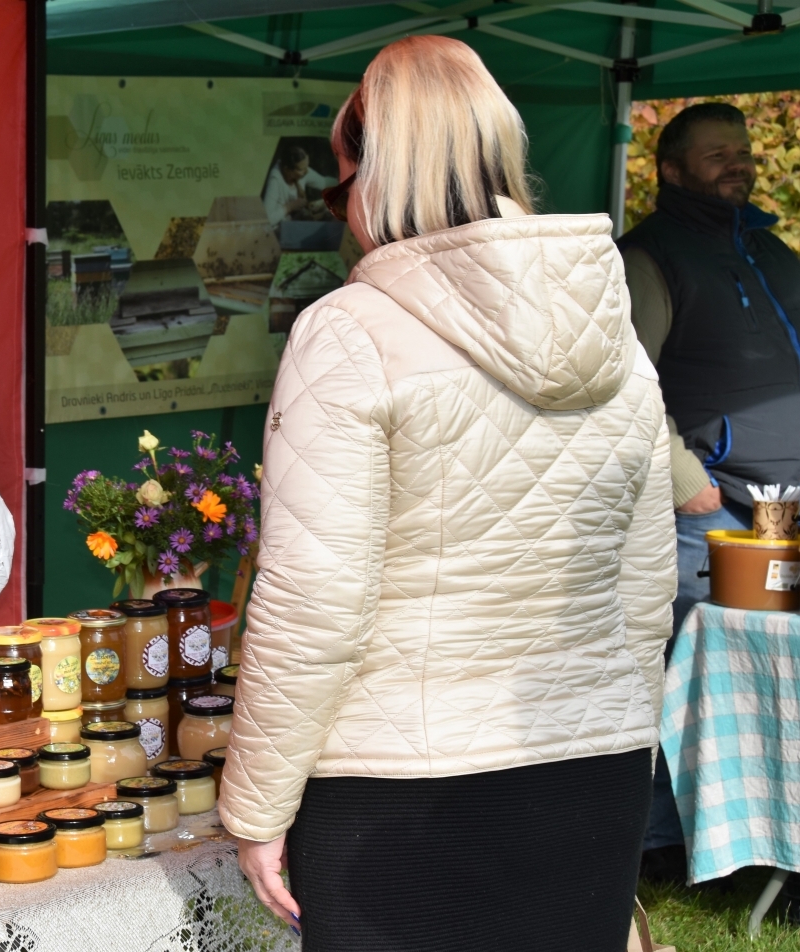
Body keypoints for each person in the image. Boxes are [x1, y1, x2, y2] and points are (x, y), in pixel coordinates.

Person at [219, 35, 675, 952]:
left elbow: (315, 603)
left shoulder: (346, 334)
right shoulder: (612, 332)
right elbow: (644, 583)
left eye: (340, 184)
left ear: (375, 176)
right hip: (593, 772)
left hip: (401, 789)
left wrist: (255, 804)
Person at [618, 102, 800, 871]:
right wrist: (681, 478)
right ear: (669, 169)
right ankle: (662, 842)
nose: (738, 165)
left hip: (783, 505)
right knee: (685, 674)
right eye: (717, 154)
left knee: (775, 673)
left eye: (743, 152)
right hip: (710, 506)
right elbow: (625, 381)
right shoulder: (647, 254)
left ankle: (770, 832)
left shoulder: (770, 246)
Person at [262, 144, 336, 226]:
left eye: (306, 167)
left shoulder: (303, 171)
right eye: (301, 169)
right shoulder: (275, 180)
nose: (307, 172)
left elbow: (324, 182)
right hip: (280, 230)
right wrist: (289, 207)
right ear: (287, 170)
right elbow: (266, 220)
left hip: (297, 224)